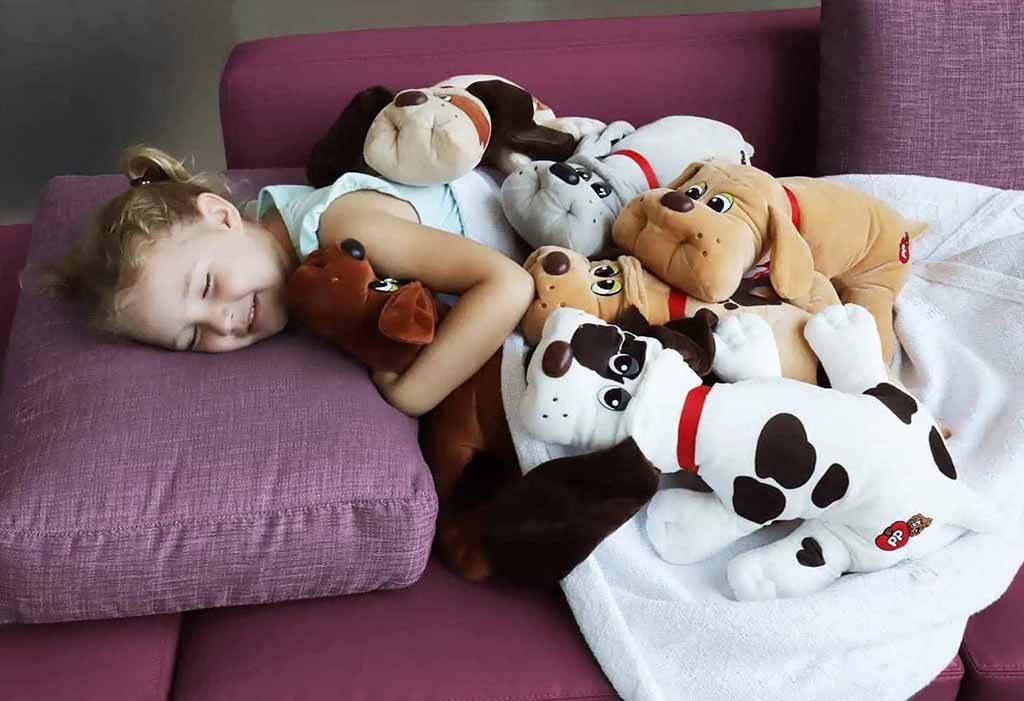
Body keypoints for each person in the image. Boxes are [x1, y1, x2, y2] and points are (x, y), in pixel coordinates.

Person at [35, 146, 534, 417]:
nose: (222, 322)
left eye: (206, 287)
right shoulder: (287, 271)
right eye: (191, 337)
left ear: (221, 215)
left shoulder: (342, 229)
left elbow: (507, 284)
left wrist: (413, 395)